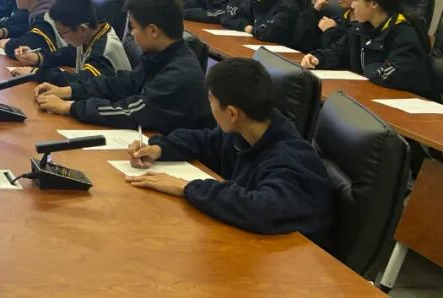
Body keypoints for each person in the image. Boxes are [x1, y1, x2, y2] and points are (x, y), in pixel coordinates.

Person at [124, 58, 333, 245]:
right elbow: (204, 141)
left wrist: (188, 188)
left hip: (296, 261)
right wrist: (160, 148)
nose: (209, 106)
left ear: (232, 113)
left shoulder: (290, 158)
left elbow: (260, 208)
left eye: (211, 100)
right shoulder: (247, 130)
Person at [34, 0, 212, 132]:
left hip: (183, 157)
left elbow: (130, 111)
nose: (131, 34)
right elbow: (120, 83)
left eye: (133, 27)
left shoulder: (179, 74)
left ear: (153, 31)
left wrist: (69, 107)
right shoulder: (160, 56)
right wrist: (67, 91)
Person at [302, 0, 435, 98]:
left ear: (373, 4)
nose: (352, 6)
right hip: (369, 94)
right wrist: (318, 58)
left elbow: (397, 73)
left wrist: (367, 71)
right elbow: (339, 52)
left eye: (355, 0)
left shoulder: (404, 32)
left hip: (405, 100)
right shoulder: (361, 28)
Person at [12, 0, 131, 83]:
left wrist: (36, 73)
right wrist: (38, 57)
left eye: (63, 33)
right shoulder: (90, 33)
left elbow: (82, 82)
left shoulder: (104, 51)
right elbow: (69, 53)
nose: (63, 38)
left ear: (82, 28)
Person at [294, 0, 365, 59]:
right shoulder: (337, 18)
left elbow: (344, 53)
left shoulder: (364, 25)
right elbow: (303, 43)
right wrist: (314, 10)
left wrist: (332, 31)